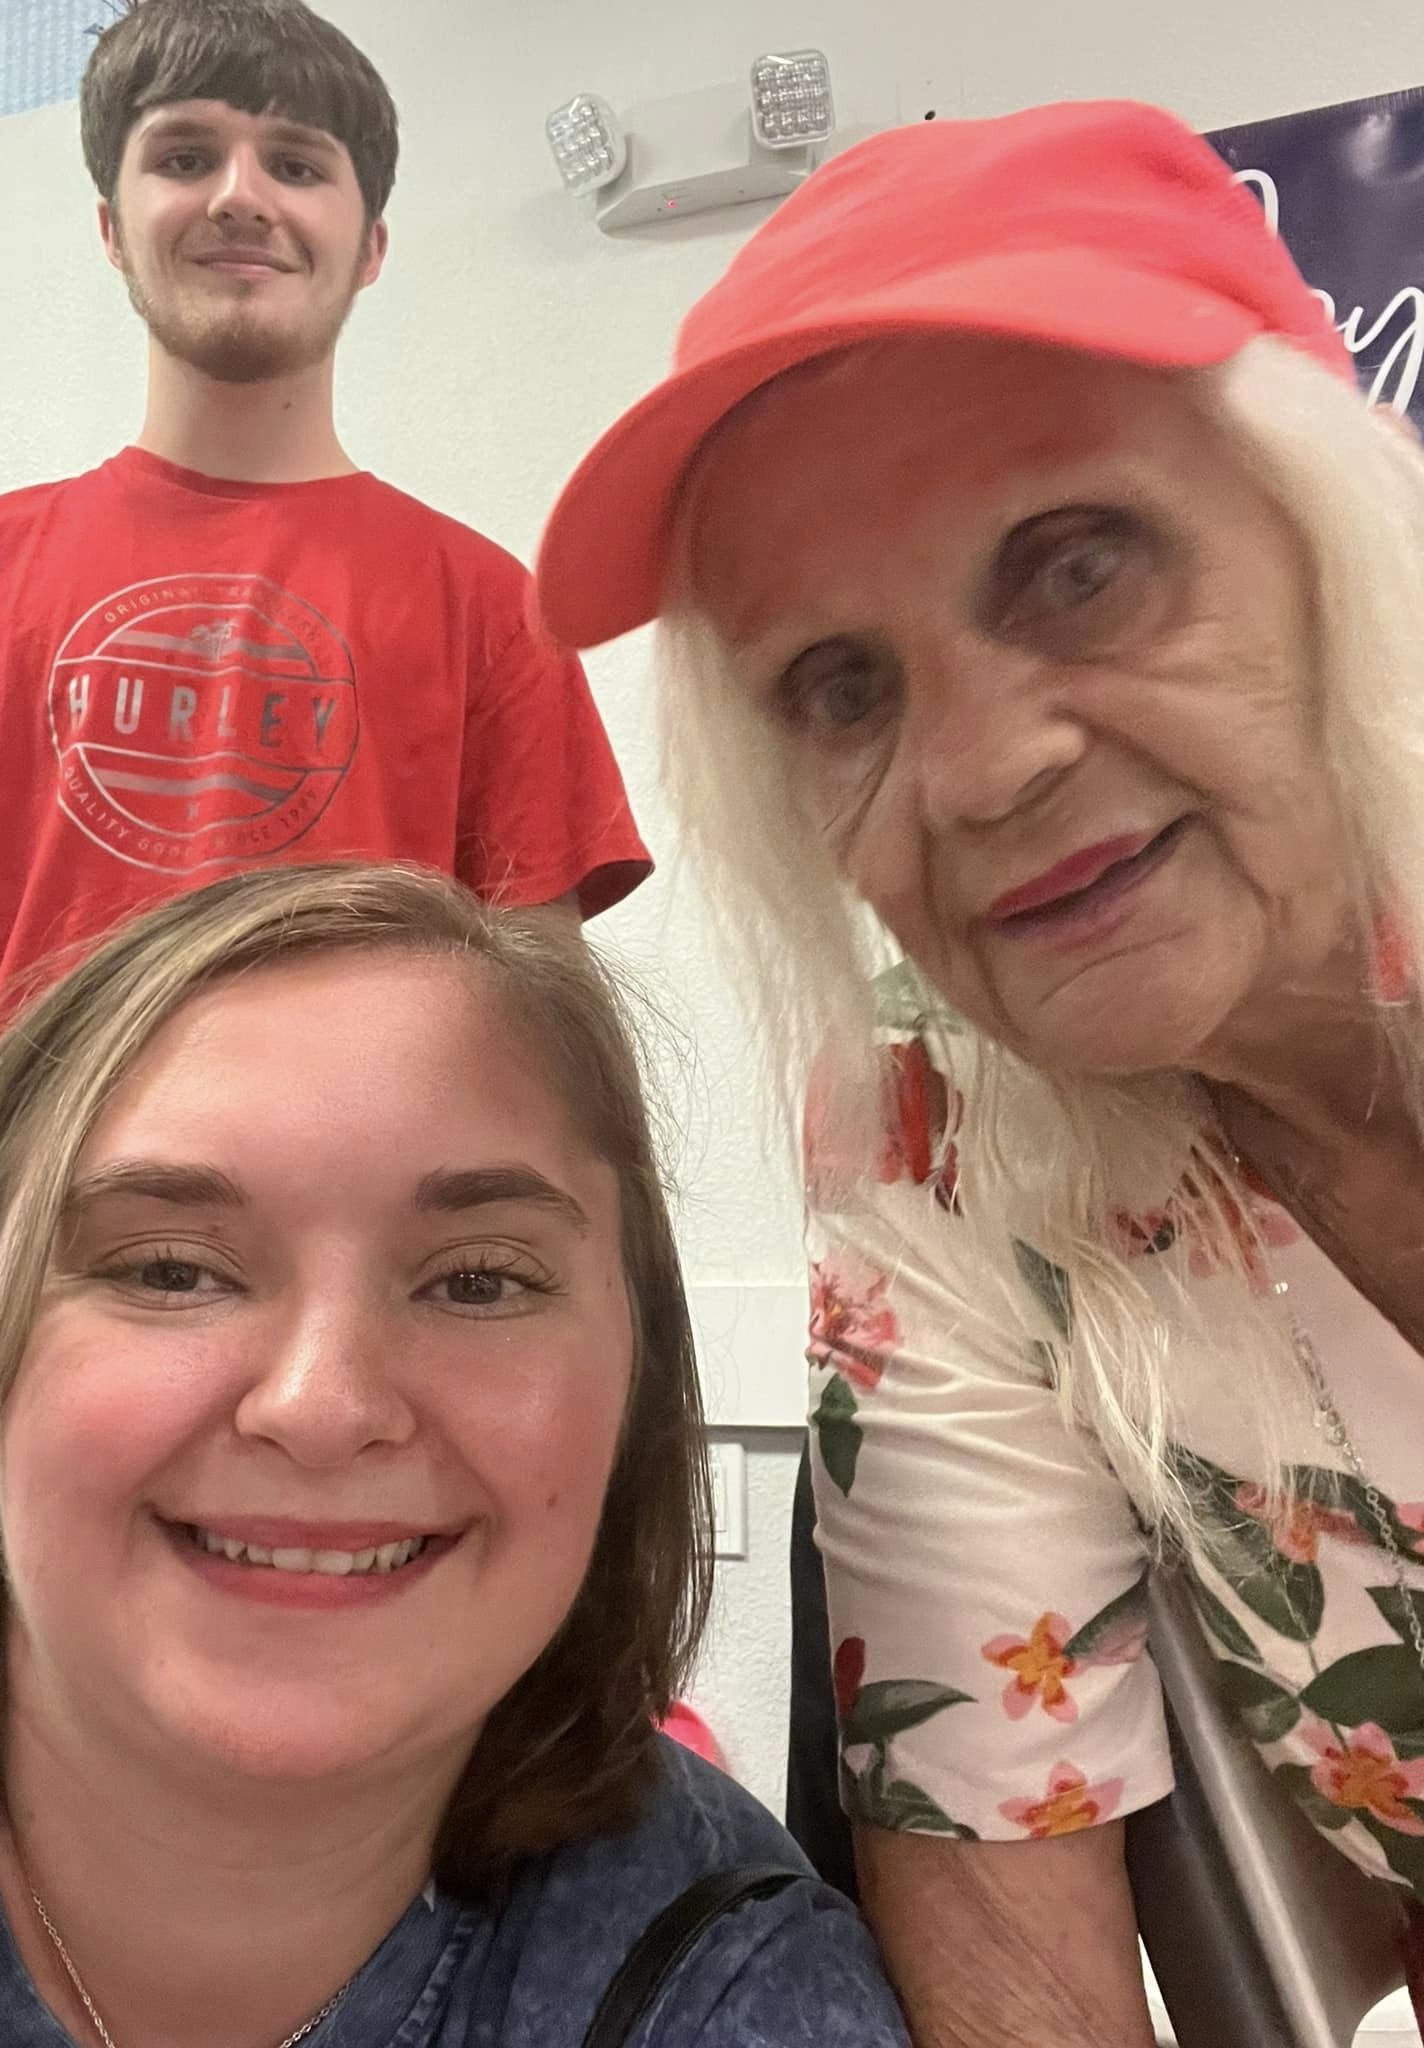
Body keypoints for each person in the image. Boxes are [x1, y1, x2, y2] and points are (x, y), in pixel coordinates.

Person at [535, 97, 1424, 2043]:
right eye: (841, 685)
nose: (980, 771)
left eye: (1080, 566)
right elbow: (1019, 1958)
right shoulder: (933, 1143)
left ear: (1331, 536)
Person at [0, 860, 908, 2047]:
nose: (323, 1405)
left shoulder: (740, 1989)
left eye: (477, 1281)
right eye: (170, 1268)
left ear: (636, 1390)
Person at [0, 0, 647, 1111]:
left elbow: (548, 1049)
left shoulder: (492, 608)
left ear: (371, 246)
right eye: (186, 156)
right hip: (13, 1213)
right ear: (111, 228)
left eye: (295, 164)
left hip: (354, 1212)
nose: (240, 196)